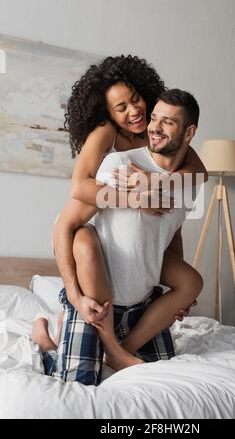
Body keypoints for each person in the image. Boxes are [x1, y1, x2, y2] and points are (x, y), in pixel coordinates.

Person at [32, 88, 206, 385]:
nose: (154, 127)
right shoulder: (120, 166)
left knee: (162, 378)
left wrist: (180, 292)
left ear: (189, 133)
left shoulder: (190, 180)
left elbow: (172, 230)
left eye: (167, 122)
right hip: (98, 301)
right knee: (78, 382)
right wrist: (74, 294)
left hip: (142, 302)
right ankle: (47, 342)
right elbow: (67, 223)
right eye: (154, 119)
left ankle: (119, 351)